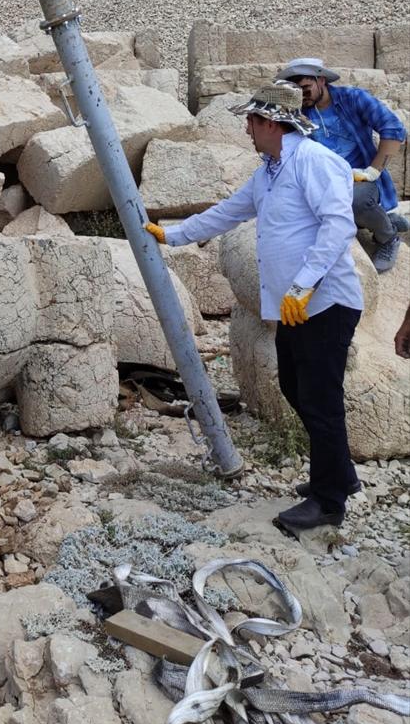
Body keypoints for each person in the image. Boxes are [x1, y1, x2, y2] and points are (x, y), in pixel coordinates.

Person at [144, 81, 363, 532]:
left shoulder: (315, 162)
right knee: (293, 385)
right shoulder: (269, 170)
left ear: (271, 123)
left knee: (321, 401)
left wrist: (304, 285)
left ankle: (328, 501)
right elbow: (229, 211)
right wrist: (173, 235)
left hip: (325, 302)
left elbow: (338, 226)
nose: (246, 128)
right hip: (294, 308)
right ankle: (338, 473)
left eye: (251, 120)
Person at [277, 57, 407, 274]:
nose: (302, 95)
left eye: (306, 88)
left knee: (356, 200)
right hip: (323, 182)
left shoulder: (353, 98)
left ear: (321, 80)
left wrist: (372, 171)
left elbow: (393, 129)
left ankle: (387, 237)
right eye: (296, 91)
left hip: (360, 179)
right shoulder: (297, 112)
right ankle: (383, 219)